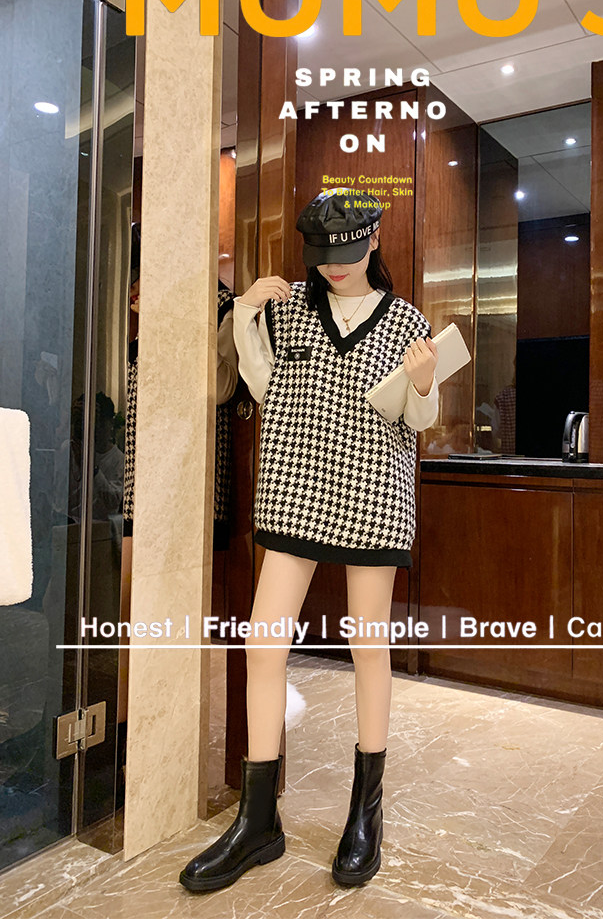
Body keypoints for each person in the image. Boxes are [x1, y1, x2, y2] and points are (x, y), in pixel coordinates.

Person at [180, 190, 439, 893]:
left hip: (374, 494)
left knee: (367, 646)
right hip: (295, 486)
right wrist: (243, 313)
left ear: (373, 240)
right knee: (263, 644)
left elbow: (419, 419)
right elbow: (263, 386)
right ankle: (258, 819)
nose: (335, 266)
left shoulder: (406, 320)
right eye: (323, 254)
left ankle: (366, 811)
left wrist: (423, 384)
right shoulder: (289, 307)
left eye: (348, 251)